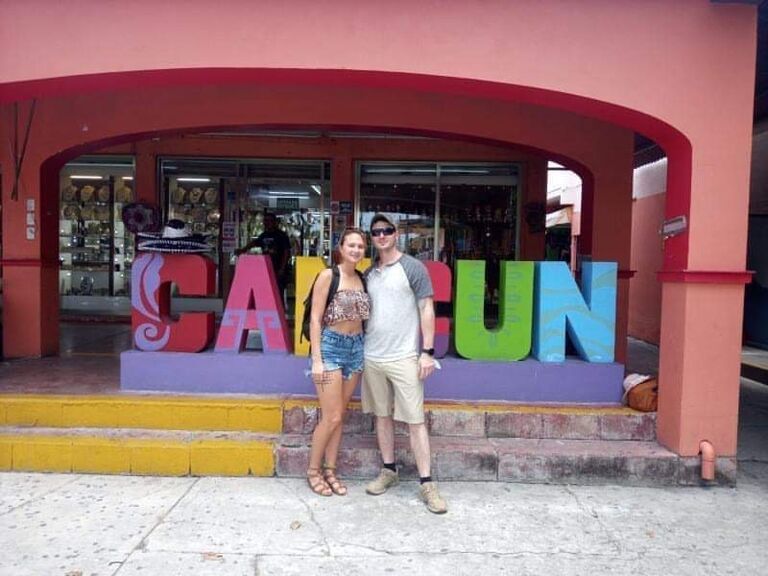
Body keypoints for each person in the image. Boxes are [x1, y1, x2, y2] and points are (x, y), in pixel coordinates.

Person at [362, 214, 447, 514]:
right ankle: (389, 470)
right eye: (376, 232)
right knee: (382, 416)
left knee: (415, 421)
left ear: (396, 234)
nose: (381, 236)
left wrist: (427, 351)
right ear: (371, 237)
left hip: (404, 357)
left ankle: (427, 483)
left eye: (386, 231)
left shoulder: (413, 267)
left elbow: (427, 308)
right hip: (372, 357)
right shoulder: (369, 273)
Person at [306, 228, 371, 496]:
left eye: (360, 246)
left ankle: (330, 469)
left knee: (340, 416)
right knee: (331, 415)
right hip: (331, 347)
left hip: (355, 349)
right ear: (341, 248)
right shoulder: (328, 276)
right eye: (351, 245)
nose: (356, 250)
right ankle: (313, 470)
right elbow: (314, 319)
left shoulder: (362, 280)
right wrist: (317, 360)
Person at [235, 212, 292, 298]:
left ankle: (280, 310)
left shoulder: (281, 235)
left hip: (278, 269)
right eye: (265, 221)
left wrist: (282, 268)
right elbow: (254, 243)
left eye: (270, 220)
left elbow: (286, 252)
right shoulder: (264, 235)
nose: (267, 223)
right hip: (266, 268)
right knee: (267, 292)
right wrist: (243, 250)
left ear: (275, 222)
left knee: (278, 292)